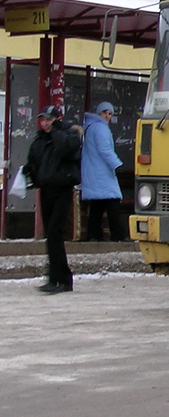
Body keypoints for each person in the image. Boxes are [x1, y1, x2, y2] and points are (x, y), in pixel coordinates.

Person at [23, 105, 83, 293]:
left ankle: (62, 280)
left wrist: (56, 130)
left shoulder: (69, 135)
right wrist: (30, 171)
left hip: (63, 190)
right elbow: (34, 161)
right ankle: (56, 278)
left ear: (57, 119)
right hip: (46, 190)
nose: (45, 123)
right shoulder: (40, 140)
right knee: (51, 234)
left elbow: (67, 149)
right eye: (43, 120)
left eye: (49, 119)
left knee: (55, 231)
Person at [81, 102, 128, 242]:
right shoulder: (101, 128)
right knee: (112, 202)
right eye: (104, 113)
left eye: (110, 113)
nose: (107, 116)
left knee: (97, 205)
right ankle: (118, 234)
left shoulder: (90, 127)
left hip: (92, 171)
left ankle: (94, 235)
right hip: (102, 172)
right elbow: (105, 150)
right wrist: (117, 165)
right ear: (99, 113)